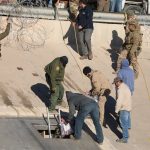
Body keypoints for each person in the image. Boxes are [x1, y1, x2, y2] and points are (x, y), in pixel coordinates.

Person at [113, 77, 132, 143]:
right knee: (125, 123)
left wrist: (116, 110)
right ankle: (126, 134)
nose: (115, 85)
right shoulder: (125, 86)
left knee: (123, 123)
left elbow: (119, 101)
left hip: (123, 108)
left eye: (115, 83)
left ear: (118, 82)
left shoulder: (120, 90)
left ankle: (125, 138)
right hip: (128, 106)